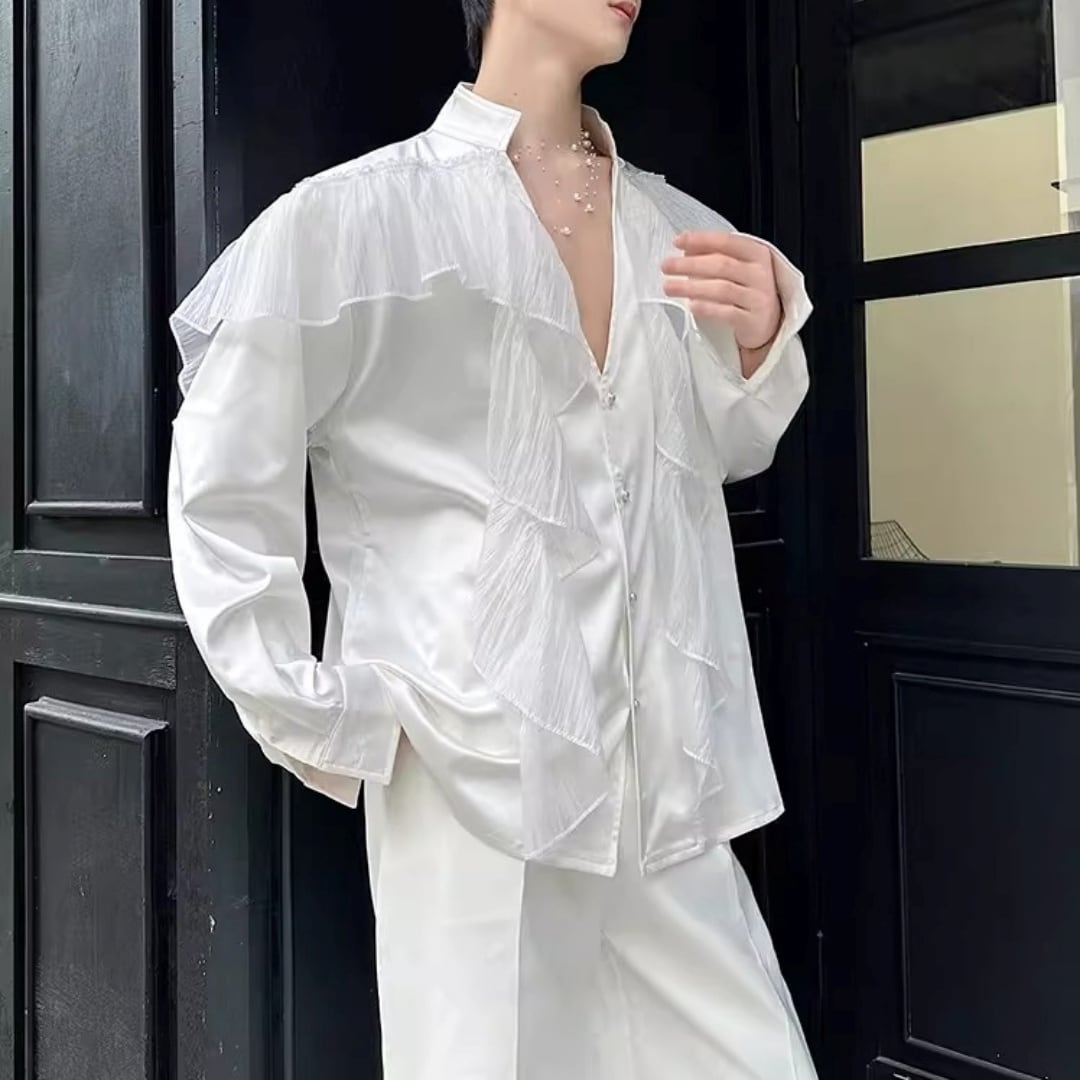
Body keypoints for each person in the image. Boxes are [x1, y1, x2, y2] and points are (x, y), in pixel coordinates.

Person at [167, 0, 817, 1075]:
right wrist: (324, 710)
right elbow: (223, 483)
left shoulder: (677, 229)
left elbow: (718, 449)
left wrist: (756, 346)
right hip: (466, 768)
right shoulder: (350, 222)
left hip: (662, 779)